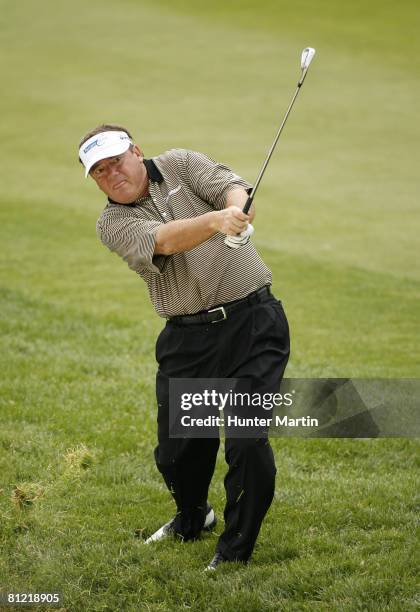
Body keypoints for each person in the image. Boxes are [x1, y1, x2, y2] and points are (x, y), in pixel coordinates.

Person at [78, 124, 290, 570]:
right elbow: (164, 240)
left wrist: (237, 212)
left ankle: (234, 552)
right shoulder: (112, 223)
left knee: (247, 442)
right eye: (100, 171)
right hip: (187, 340)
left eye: (116, 161)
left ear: (135, 151)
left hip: (255, 324)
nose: (112, 174)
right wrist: (216, 221)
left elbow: (231, 187)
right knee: (178, 453)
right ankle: (194, 516)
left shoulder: (180, 162)